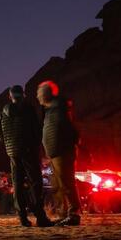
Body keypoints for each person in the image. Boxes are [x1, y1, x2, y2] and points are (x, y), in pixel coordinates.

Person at [0, 85, 54, 227]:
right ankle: (40, 216)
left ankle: (22, 217)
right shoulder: (28, 109)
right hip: (29, 150)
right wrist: (36, 146)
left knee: (17, 183)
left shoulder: (4, 111)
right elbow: (36, 130)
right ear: (23, 95)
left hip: (13, 153)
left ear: (10, 96)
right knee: (35, 182)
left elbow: (0, 135)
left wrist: (10, 148)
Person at [37, 80, 82, 226]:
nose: (38, 96)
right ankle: (63, 213)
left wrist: (70, 145)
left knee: (67, 183)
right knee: (58, 185)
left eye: (40, 93)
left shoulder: (59, 107)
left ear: (46, 94)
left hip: (62, 151)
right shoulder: (50, 110)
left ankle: (73, 214)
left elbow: (69, 128)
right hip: (54, 153)